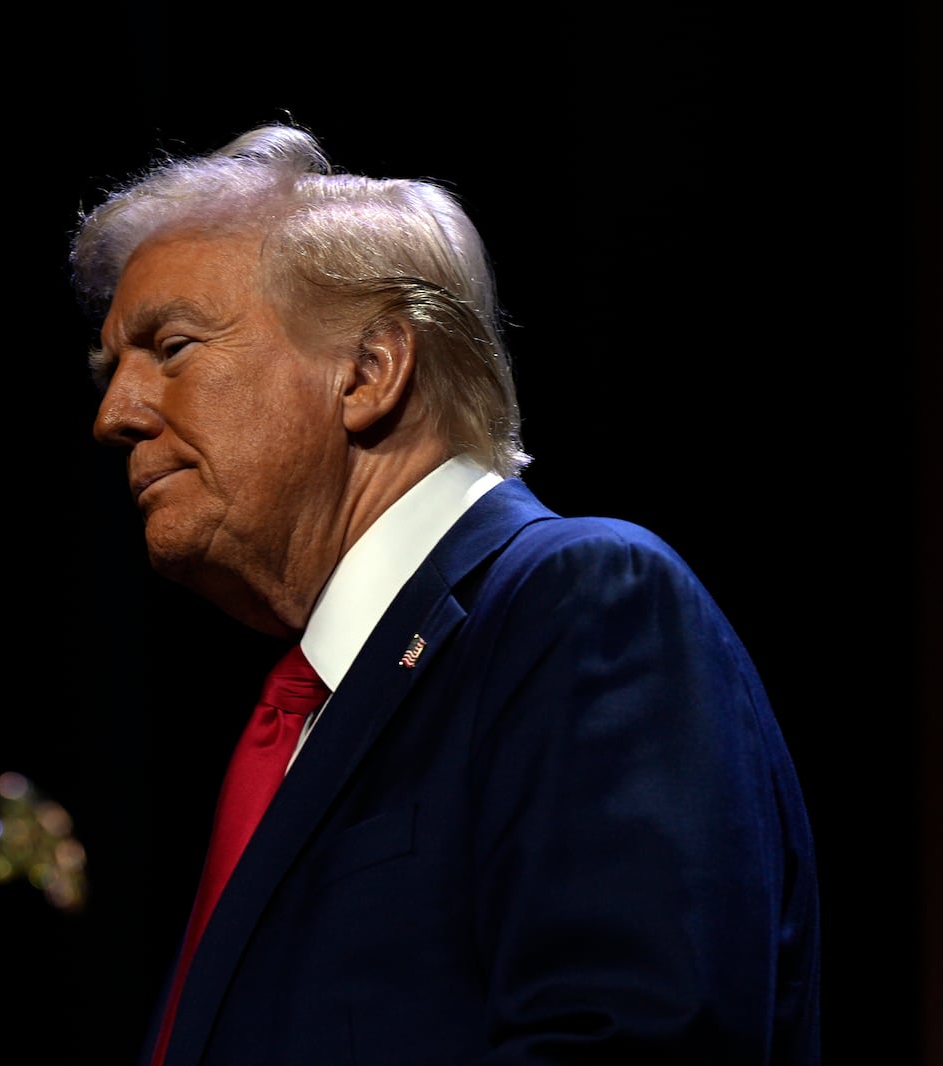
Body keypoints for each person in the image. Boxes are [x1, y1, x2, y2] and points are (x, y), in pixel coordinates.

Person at [69, 124, 820, 1065]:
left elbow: (632, 1040)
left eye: (171, 347)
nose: (115, 415)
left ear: (370, 370)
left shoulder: (582, 602)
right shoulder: (312, 706)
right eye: (110, 371)